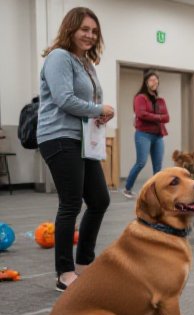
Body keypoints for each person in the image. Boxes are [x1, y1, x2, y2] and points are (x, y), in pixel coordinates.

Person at [37, 7, 115, 291]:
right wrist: (98, 108)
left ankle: (84, 263)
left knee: (100, 200)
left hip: (83, 140)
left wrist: (101, 113)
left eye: (94, 31)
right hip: (58, 137)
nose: (90, 35)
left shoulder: (86, 64)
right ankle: (64, 272)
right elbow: (63, 99)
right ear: (70, 28)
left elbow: (87, 103)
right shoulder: (59, 57)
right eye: (85, 29)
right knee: (71, 203)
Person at [122, 70, 170, 198]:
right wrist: (159, 117)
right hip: (143, 134)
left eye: (156, 79)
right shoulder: (140, 97)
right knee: (141, 162)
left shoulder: (160, 100)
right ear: (146, 82)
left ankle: (157, 191)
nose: (154, 82)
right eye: (151, 80)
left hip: (158, 136)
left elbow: (167, 117)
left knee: (158, 166)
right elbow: (141, 114)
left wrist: (155, 117)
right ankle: (127, 188)